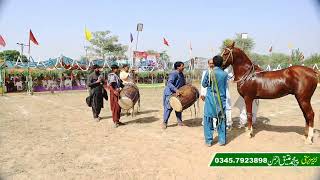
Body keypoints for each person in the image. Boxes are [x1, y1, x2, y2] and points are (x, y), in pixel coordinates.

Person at [202, 56, 228, 146]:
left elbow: (204, 84)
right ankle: (222, 140)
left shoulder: (209, 73)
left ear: (214, 63)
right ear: (221, 63)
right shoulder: (225, 74)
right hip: (221, 101)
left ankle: (209, 141)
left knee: (208, 119)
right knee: (221, 119)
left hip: (210, 100)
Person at [162, 61, 186, 129]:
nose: (183, 67)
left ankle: (179, 121)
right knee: (168, 108)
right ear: (178, 67)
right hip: (169, 93)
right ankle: (165, 122)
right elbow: (169, 83)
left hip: (176, 93)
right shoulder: (174, 73)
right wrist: (176, 90)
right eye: (182, 66)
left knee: (178, 107)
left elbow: (183, 84)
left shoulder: (181, 74)